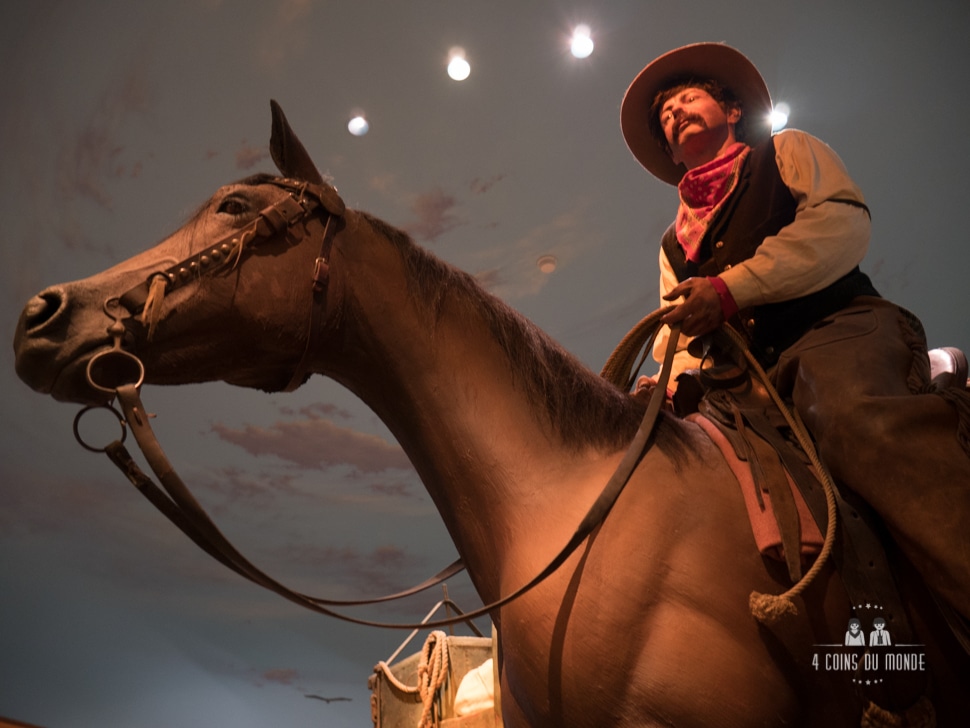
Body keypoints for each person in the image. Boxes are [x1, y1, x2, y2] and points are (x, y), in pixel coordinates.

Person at [620, 43, 970, 620]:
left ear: (731, 112)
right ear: (670, 153)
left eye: (690, 98)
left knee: (858, 422)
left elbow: (840, 225)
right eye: (666, 115)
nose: (676, 111)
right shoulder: (670, 243)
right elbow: (675, 336)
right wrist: (664, 384)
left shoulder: (787, 150)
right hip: (741, 382)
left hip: (834, 329)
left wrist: (732, 290)